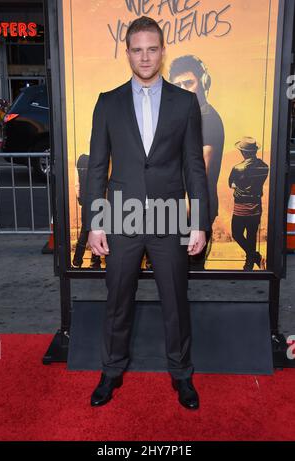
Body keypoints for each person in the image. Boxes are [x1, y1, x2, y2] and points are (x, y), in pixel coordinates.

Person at [83, 16, 210, 410]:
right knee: (118, 299)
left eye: (151, 49)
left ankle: (182, 375)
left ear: (161, 50)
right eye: (137, 49)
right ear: (127, 53)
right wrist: (95, 221)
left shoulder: (185, 103)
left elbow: (193, 165)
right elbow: (97, 167)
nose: (144, 57)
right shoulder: (107, 102)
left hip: (170, 216)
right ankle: (111, 371)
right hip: (121, 216)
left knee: (176, 300)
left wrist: (200, 222)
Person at [169, 55, 224, 270]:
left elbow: (199, 173)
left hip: (193, 212)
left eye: (188, 83)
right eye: (178, 85)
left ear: (203, 82)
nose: (183, 89)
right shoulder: (190, 116)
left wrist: (192, 223)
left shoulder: (208, 119)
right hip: (181, 211)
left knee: (188, 274)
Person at [229, 137, 269, 270]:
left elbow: (231, 183)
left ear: (243, 152)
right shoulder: (264, 167)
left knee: (236, 234)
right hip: (256, 206)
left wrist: (236, 185)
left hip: (240, 207)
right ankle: (250, 262)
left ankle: (254, 258)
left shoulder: (237, 168)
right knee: (251, 235)